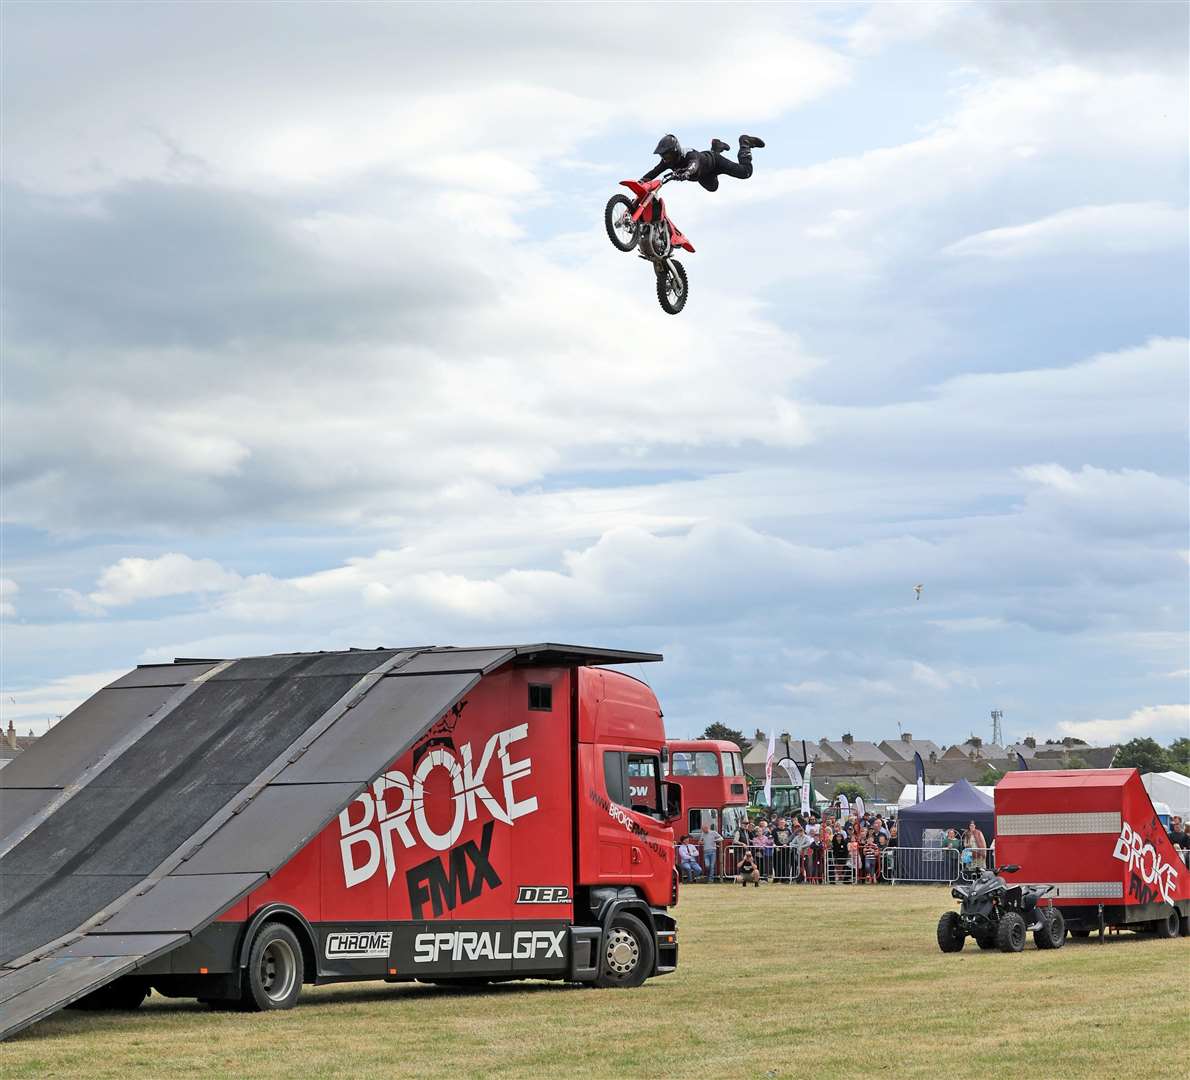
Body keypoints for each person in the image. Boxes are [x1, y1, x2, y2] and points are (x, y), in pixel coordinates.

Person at [641, 133, 766, 193]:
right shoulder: (666, 162)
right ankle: (716, 146)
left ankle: (745, 143)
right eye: (663, 155)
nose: (665, 158)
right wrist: (640, 182)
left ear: (675, 151)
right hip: (704, 174)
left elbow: (694, 164)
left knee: (746, 172)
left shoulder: (688, 154)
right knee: (713, 187)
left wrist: (687, 172)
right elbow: (654, 172)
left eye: (667, 155)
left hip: (715, 162)